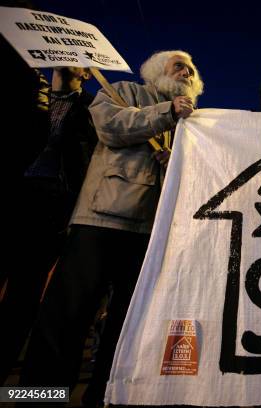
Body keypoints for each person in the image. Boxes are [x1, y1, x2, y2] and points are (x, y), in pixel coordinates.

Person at [19, 50, 204, 406]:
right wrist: (166, 112)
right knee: (66, 320)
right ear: (154, 71)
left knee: (125, 328)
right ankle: (34, 398)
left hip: (152, 235)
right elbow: (110, 127)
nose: (187, 70)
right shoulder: (122, 91)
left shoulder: (193, 121)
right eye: (179, 64)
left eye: (192, 68)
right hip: (101, 219)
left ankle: (104, 398)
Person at [0, 66, 97, 385]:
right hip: (14, 195)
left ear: (86, 73)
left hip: (52, 202)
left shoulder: (90, 107)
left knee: (24, 292)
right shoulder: (28, 94)